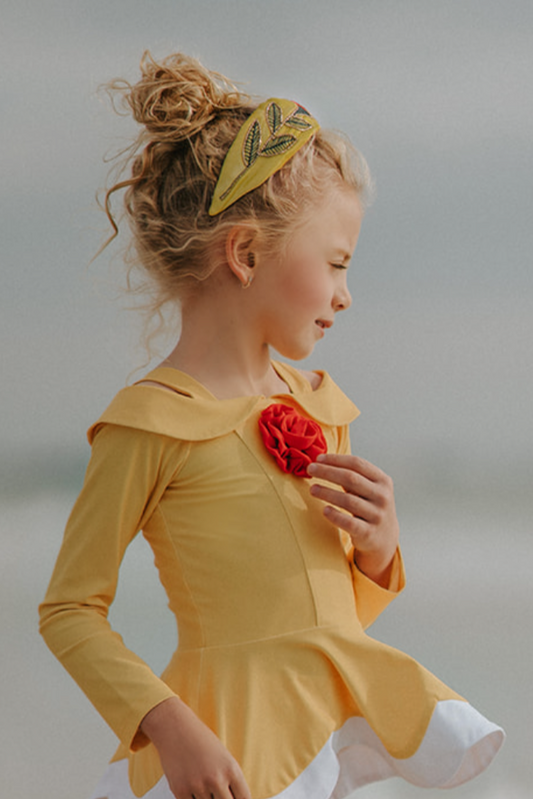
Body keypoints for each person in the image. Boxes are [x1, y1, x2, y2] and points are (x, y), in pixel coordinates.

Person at [39, 52, 504, 799]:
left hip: (317, 729)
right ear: (247, 253)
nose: (345, 296)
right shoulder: (151, 422)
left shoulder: (320, 407)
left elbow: (328, 620)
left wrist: (379, 553)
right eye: (337, 264)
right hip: (221, 744)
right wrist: (168, 723)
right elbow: (69, 609)